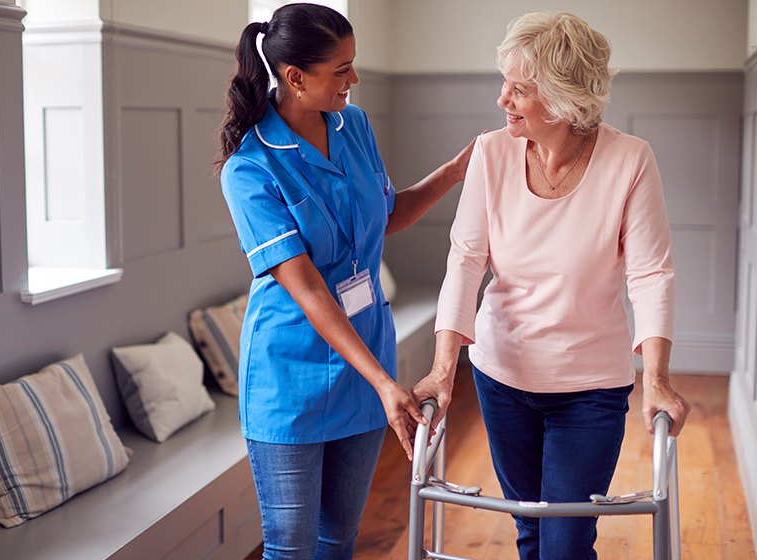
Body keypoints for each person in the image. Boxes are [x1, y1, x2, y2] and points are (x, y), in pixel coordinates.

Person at [410, 11, 691, 560]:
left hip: (590, 388)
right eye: (504, 83)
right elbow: (466, 262)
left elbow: (651, 273)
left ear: (564, 100)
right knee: (531, 531)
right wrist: (444, 371)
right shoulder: (492, 153)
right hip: (501, 375)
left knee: (565, 542)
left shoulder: (630, 160)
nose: (502, 99)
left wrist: (655, 378)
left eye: (519, 89)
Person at [216, 4, 474, 559]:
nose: (354, 80)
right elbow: (306, 287)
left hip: (364, 369)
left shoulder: (353, 125)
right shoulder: (250, 168)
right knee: (290, 547)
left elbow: (386, 215)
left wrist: (454, 172)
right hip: (290, 381)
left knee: (339, 540)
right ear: (295, 78)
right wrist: (386, 383)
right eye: (341, 70)